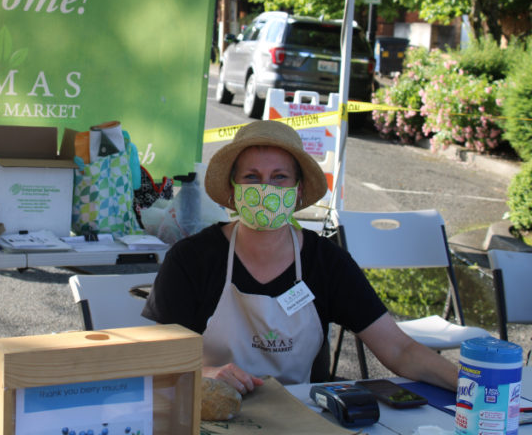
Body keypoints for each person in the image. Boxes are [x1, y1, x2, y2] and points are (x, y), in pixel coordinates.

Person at [142, 119, 458, 395]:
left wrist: (474, 384)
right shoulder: (192, 259)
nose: (266, 188)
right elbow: (158, 358)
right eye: (252, 177)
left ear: (298, 191)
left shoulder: (328, 263)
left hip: (301, 417)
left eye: (280, 177)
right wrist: (205, 375)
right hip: (207, 411)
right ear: (233, 190)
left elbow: (400, 350)